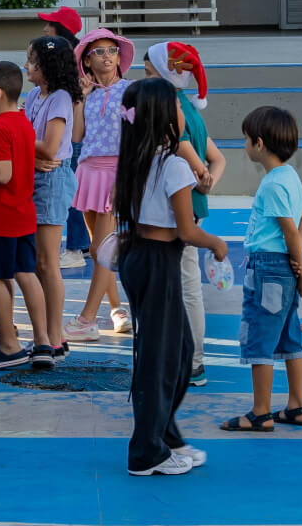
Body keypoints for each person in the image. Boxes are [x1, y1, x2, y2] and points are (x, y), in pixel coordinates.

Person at [112, 78, 226, 476]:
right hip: (159, 262)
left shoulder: (138, 156)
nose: (184, 113)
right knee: (163, 360)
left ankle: (166, 435)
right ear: (164, 115)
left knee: (174, 353)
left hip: (140, 258)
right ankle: (146, 452)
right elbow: (186, 231)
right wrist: (217, 244)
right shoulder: (173, 163)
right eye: (177, 107)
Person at [222, 106, 302, 431]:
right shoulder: (290, 176)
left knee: (260, 336)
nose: (245, 144)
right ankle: (296, 405)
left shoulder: (273, 185)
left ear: (259, 143)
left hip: (269, 269)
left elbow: (290, 229)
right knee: (290, 336)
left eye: (246, 138)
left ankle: (260, 412)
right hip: (282, 268)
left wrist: (300, 269)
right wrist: (297, 260)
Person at [144, 42, 226, 386]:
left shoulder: (169, 108)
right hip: (191, 207)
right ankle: (190, 359)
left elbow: (180, 143)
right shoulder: (193, 110)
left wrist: (199, 172)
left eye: (148, 72)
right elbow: (218, 158)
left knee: (181, 287)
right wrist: (207, 181)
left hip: (174, 212)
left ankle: (190, 361)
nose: (144, 80)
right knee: (184, 287)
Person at [0, 62, 51, 370]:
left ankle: (9, 345)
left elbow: (2, 174)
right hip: (23, 213)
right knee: (26, 273)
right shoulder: (23, 123)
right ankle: (43, 342)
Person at [66, 28, 136, 340]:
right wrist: (80, 99)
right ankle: (118, 310)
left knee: (100, 249)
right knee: (99, 252)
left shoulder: (132, 91)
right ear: (88, 61)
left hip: (116, 172)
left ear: (119, 57)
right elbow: (77, 137)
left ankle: (87, 319)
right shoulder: (88, 96)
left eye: (111, 50)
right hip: (88, 172)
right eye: (99, 51)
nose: (107, 56)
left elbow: (136, 136)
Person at [25, 36, 82, 360]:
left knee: (47, 262)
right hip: (34, 176)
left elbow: (50, 146)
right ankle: (46, 333)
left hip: (51, 179)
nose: (27, 67)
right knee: (35, 262)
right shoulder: (34, 95)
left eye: (32, 61)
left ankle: (54, 336)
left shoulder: (59, 98)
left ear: (46, 66)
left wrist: (19, 135)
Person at [37, 7, 88, 270]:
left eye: (50, 24)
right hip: (69, 132)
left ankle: (76, 246)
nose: (45, 28)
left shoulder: (71, 58)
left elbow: (79, 96)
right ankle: (77, 244)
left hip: (72, 134)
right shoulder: (39, 93)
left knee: (70, 187)